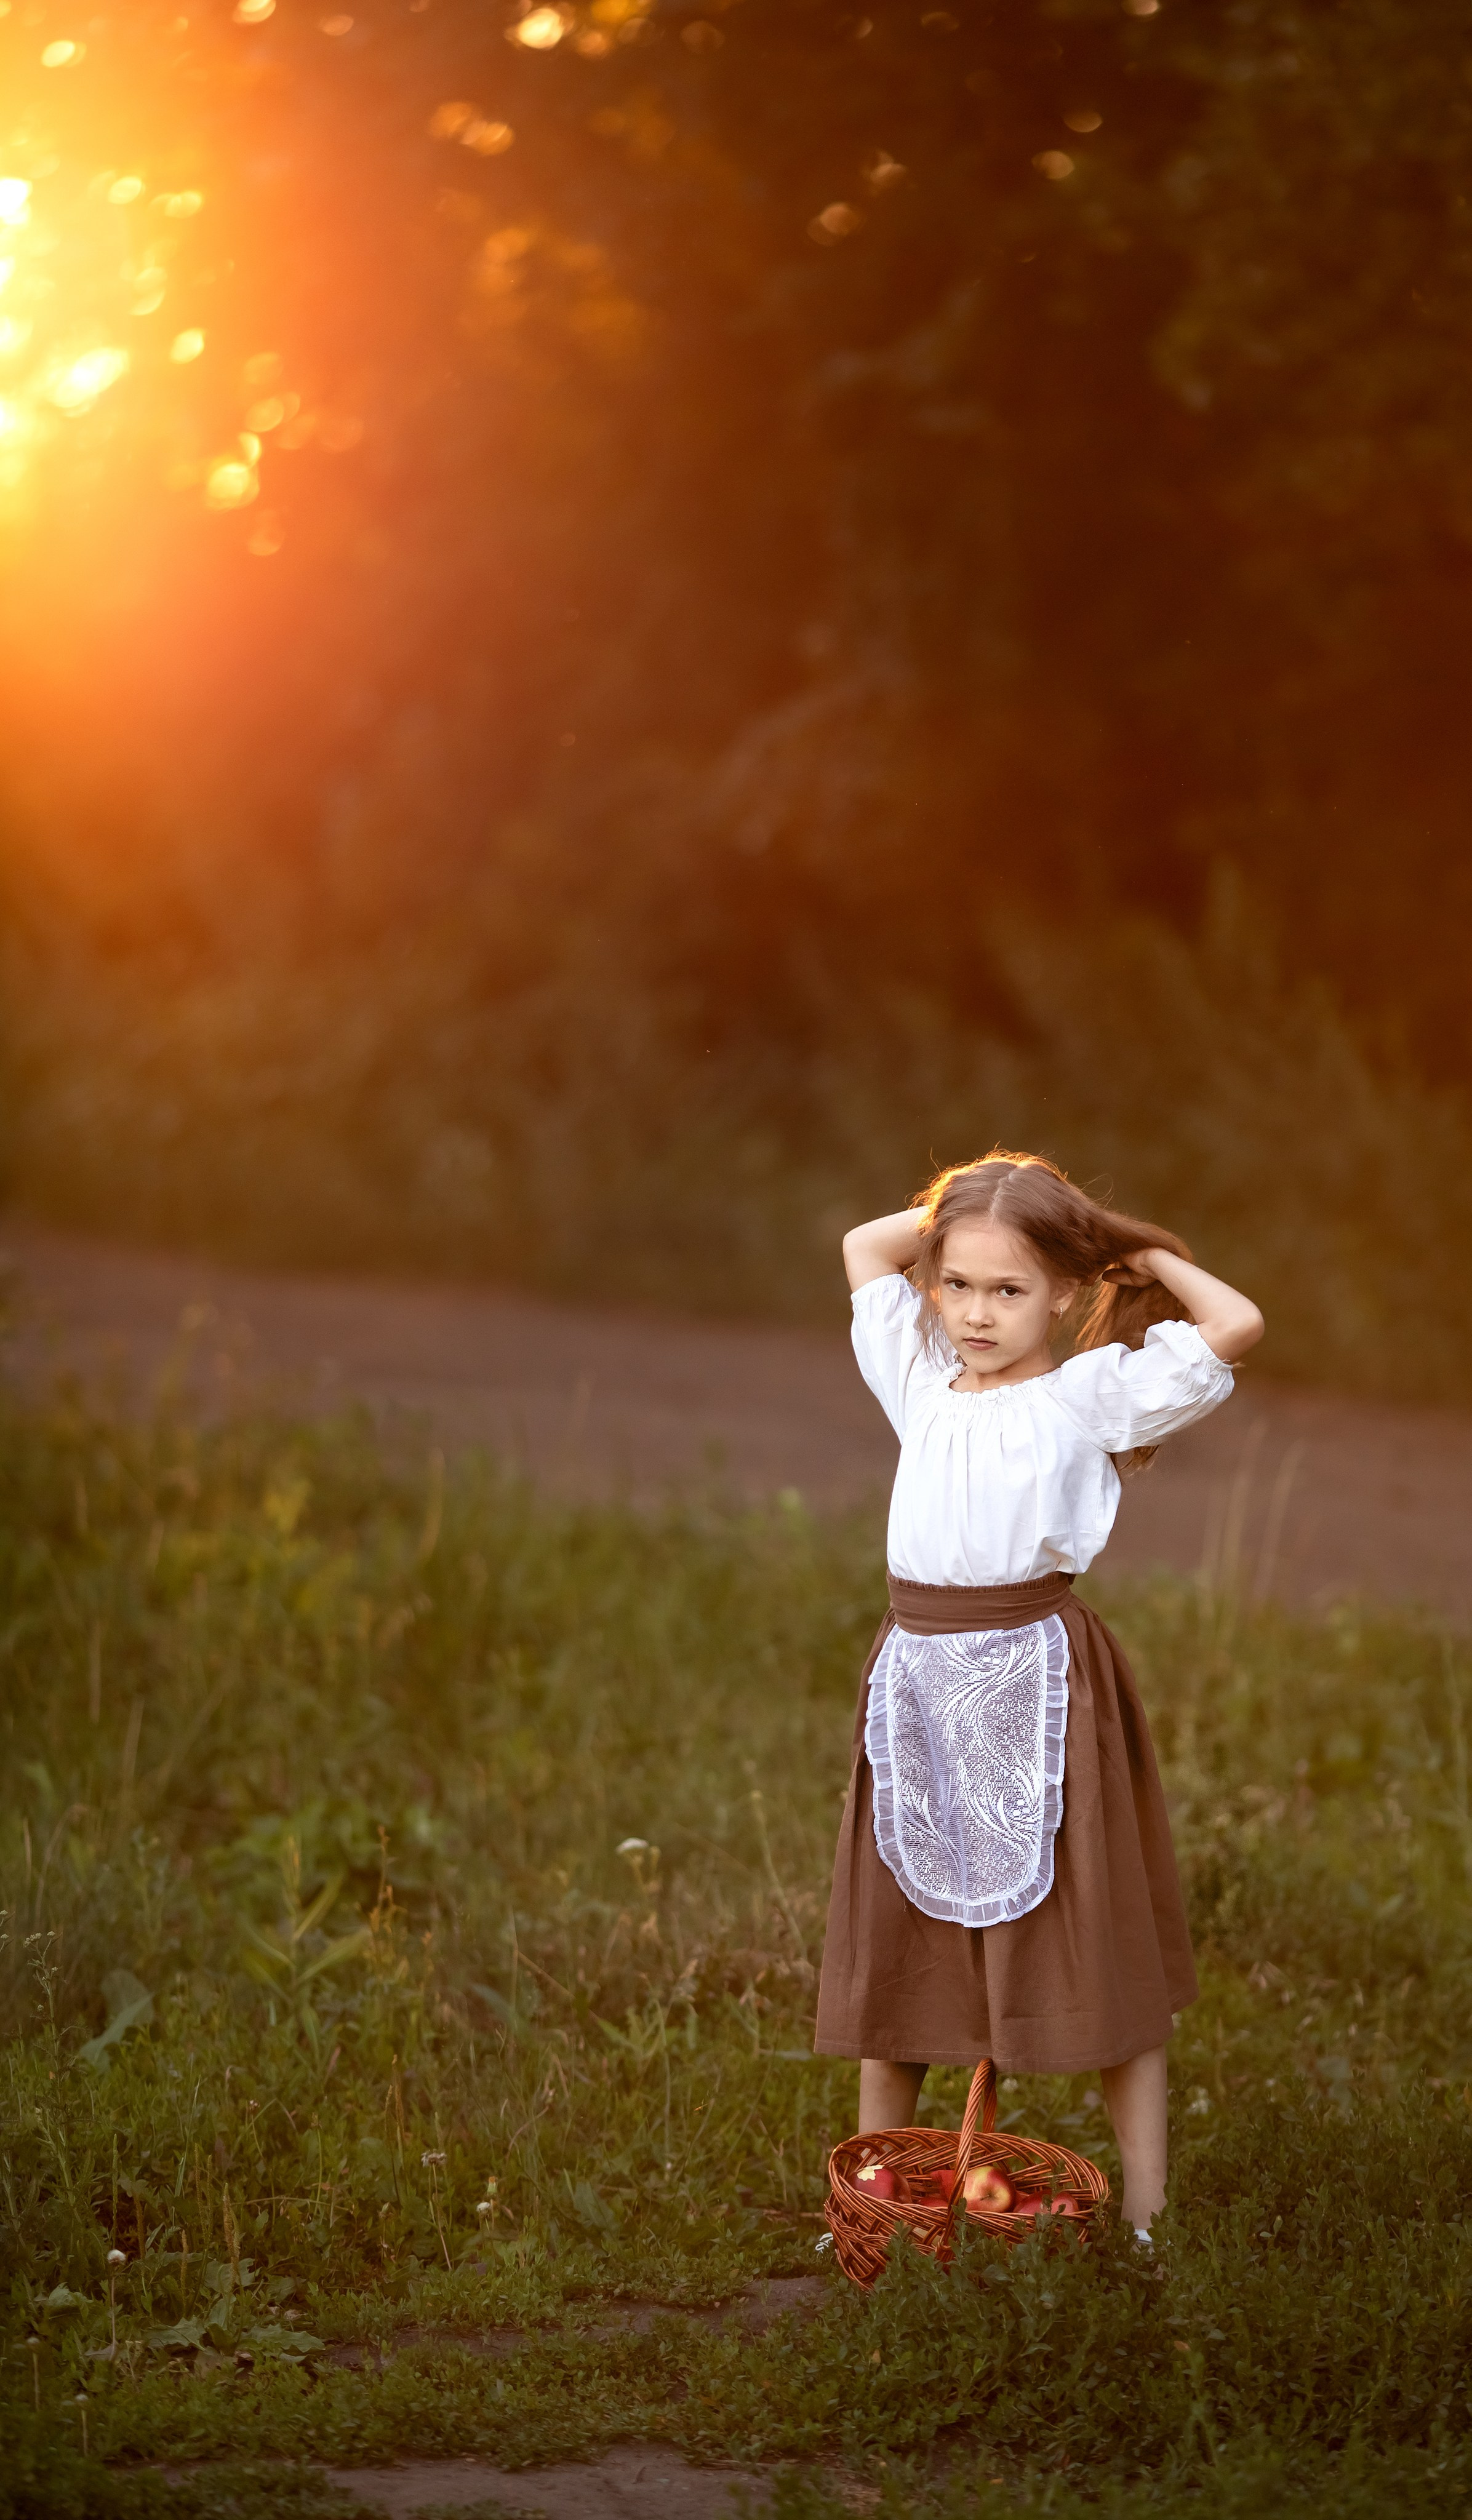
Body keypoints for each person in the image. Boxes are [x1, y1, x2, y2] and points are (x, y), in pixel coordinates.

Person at [813, 1150, 1263, 2239]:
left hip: (1041, 1686)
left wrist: (1116, 1241)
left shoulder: (1086, 1396)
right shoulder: (916, 1376)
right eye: (957, 1285)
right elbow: (864, 1248)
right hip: (919, 1683)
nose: (975, 1313)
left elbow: (1236, 1322)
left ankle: (1148, 2220)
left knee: (1091, 1937)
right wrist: (973, 1209)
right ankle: (888, 2202)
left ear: (1063, 1290)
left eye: (1009, 1290)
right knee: (900, 1951)